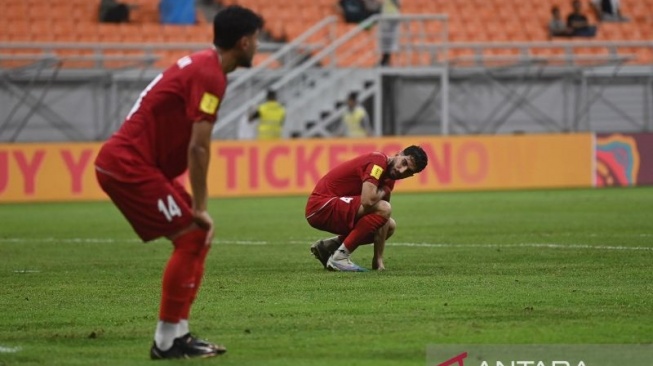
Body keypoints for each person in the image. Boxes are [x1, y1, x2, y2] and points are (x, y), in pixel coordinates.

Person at [94, 6, 263, 360]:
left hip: (139, 165)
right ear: (244, 41)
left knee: (196, 237)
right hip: (128, 165)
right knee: (191, 234)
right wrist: (200, 206)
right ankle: (167, 341)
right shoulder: (211, 74)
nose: (258, 47)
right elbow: (198, 147)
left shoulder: (204, 65)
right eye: (257, 39)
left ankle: (177, 335)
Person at [306, 146, 428, 272]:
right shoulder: (378, 162)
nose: (402, 171)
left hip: (331, 207)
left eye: (408, 171)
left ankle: (328, 247)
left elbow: (383, 219)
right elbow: (367, 201)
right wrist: (385, 190)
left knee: (390, 226)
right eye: (404, 163)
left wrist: (378, 259)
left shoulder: (389, 179)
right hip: (320, 206)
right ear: (398, 154)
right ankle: (340, 258)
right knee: (384, 208)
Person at [378, 0, 401, 66]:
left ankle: (385, 61)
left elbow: (397, 4)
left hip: (391, 18)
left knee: (389, 41)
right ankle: (385, 60)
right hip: (387, 18)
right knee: (386, 42)